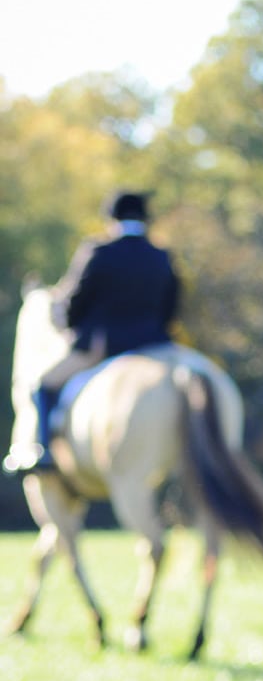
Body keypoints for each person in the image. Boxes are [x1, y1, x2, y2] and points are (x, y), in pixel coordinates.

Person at [12, 190, 180, 471]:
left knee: (43, 384)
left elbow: (75, 301)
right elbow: (171, 308)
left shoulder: (98, 251)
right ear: (145, 219)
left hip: (102, 347)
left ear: (112, 218)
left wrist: (68, 324)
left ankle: (43, 452)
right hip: (156, 347)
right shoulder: (161, 256)